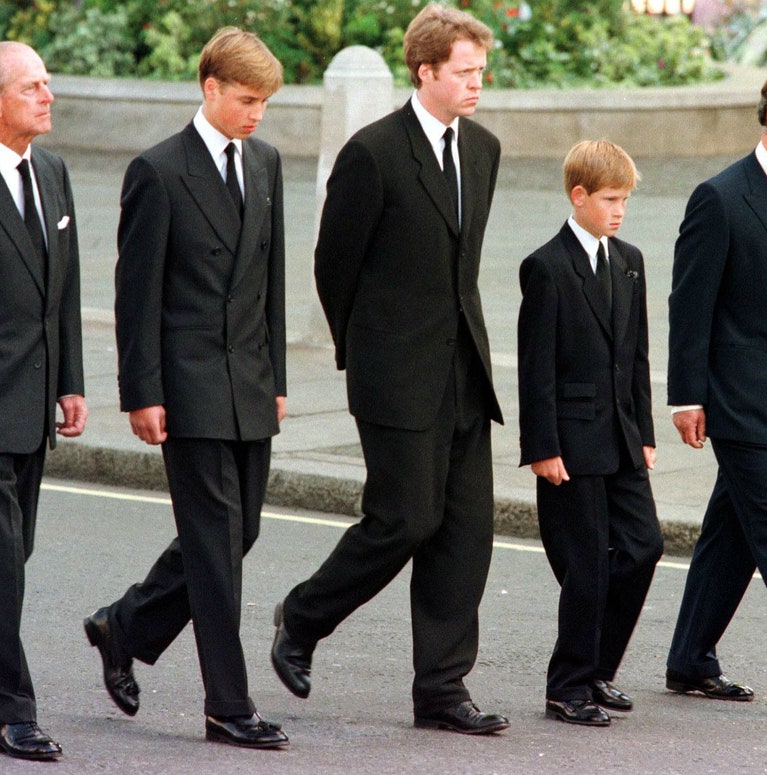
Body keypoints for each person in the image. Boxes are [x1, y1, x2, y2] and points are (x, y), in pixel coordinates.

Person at [270, 3, 508, 736]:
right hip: (393, 374)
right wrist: (364, 352)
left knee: (464, 532)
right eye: (463, 71)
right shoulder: (372, 152)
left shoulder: (484, 149)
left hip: (463, 370)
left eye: (480, 70)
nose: (477, 83)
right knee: (403, 517)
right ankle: (302, 616)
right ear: (425, 70)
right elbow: (331, 265)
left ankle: (441, 689)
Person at [83, 27, 288, 749]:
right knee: (211, 546)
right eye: (244, 99)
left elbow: (271, 280)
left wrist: (279, 381)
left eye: (263, 101)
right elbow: (135, 294)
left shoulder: (265, 163)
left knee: (242, 532)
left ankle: (125, 624)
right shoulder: (158, 170)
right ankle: (226, 706)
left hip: (250, 383)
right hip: (187, 384)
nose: (255, 113)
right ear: (209, 88)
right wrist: (141, 391)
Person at [517, 140, 663, 727]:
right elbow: (536, 367)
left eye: (625, 199)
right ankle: (568, 686)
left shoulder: (630, 259)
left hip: (623, 436)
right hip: (571, 444)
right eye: (610, 199)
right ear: (579, 197)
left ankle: (598, 666)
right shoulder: (547, 265)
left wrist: (646, 431)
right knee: (587, 565)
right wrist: (542, 447)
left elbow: (639, 355)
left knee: (644, 545)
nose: (620, 210)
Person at [662, 72, 767, 703]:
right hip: (741, 399)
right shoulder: (721, 197)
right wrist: (686, 396)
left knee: (731, 536)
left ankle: (689, 658)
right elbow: (691, 302)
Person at [0, 42, 87, 761]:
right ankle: (14, 709)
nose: (47, 96)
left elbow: (66, 292)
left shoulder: (51, 173)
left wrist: (71, 381)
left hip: (31, 409)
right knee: (2, 560)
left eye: (48, 84)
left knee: (14, 553)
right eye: (31, 86)